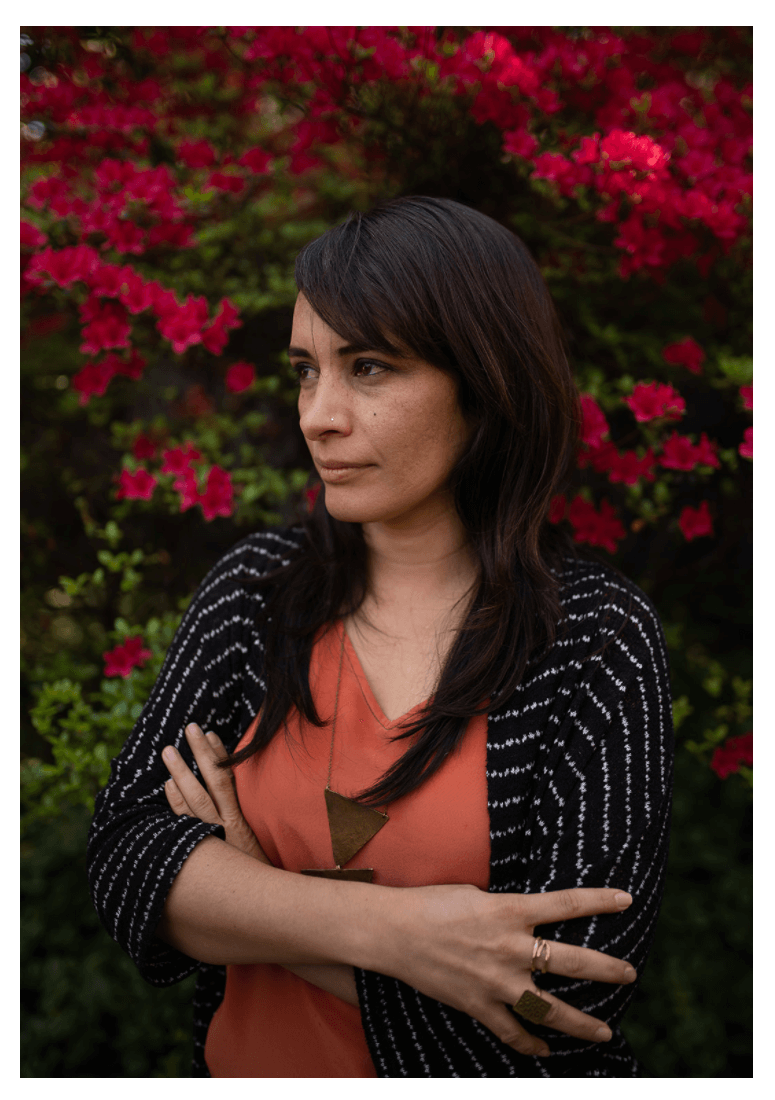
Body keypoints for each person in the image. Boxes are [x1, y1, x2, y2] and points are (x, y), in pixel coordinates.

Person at [86, 195, 674, 1078]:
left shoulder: (591, 639)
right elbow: (127, 857)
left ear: (485, 381)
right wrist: (396, 933)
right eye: (304, 371)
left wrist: (249, 898)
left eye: (367, 368)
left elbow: (561, 1007)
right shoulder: (260, 594)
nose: (318, 415)